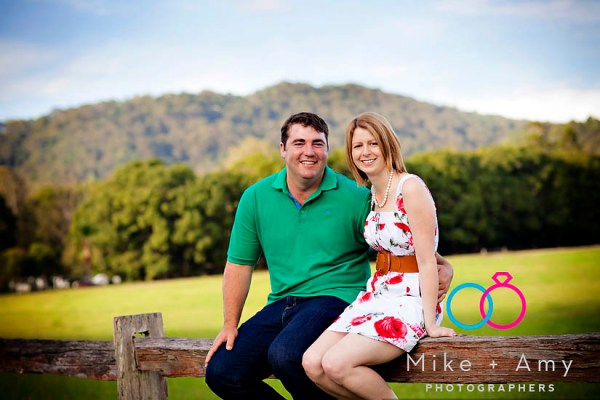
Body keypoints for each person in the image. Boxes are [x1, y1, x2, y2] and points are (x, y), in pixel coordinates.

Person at [204, 112, 454, 399]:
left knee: (286, 355)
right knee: (222, 371)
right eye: (299, 143)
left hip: (336, 297)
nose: (308, 152)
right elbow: (239, 265)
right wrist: (230, 324)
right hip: (282, 302)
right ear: (283, 149)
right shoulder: (256, 197)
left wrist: (444, 266)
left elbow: (405, 240)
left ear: (328, 149)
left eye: (317, 143)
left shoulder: (357, 196)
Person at [302, 112, 456, 399]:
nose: (366, 152)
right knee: (312, 364)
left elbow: (426, 259)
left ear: (388, 145)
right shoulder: (373, 192)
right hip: (378, 294)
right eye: (358, 146)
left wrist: (431, 324)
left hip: (410, 300)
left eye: (373, 143)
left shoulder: (410, 187)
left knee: (336, 363)